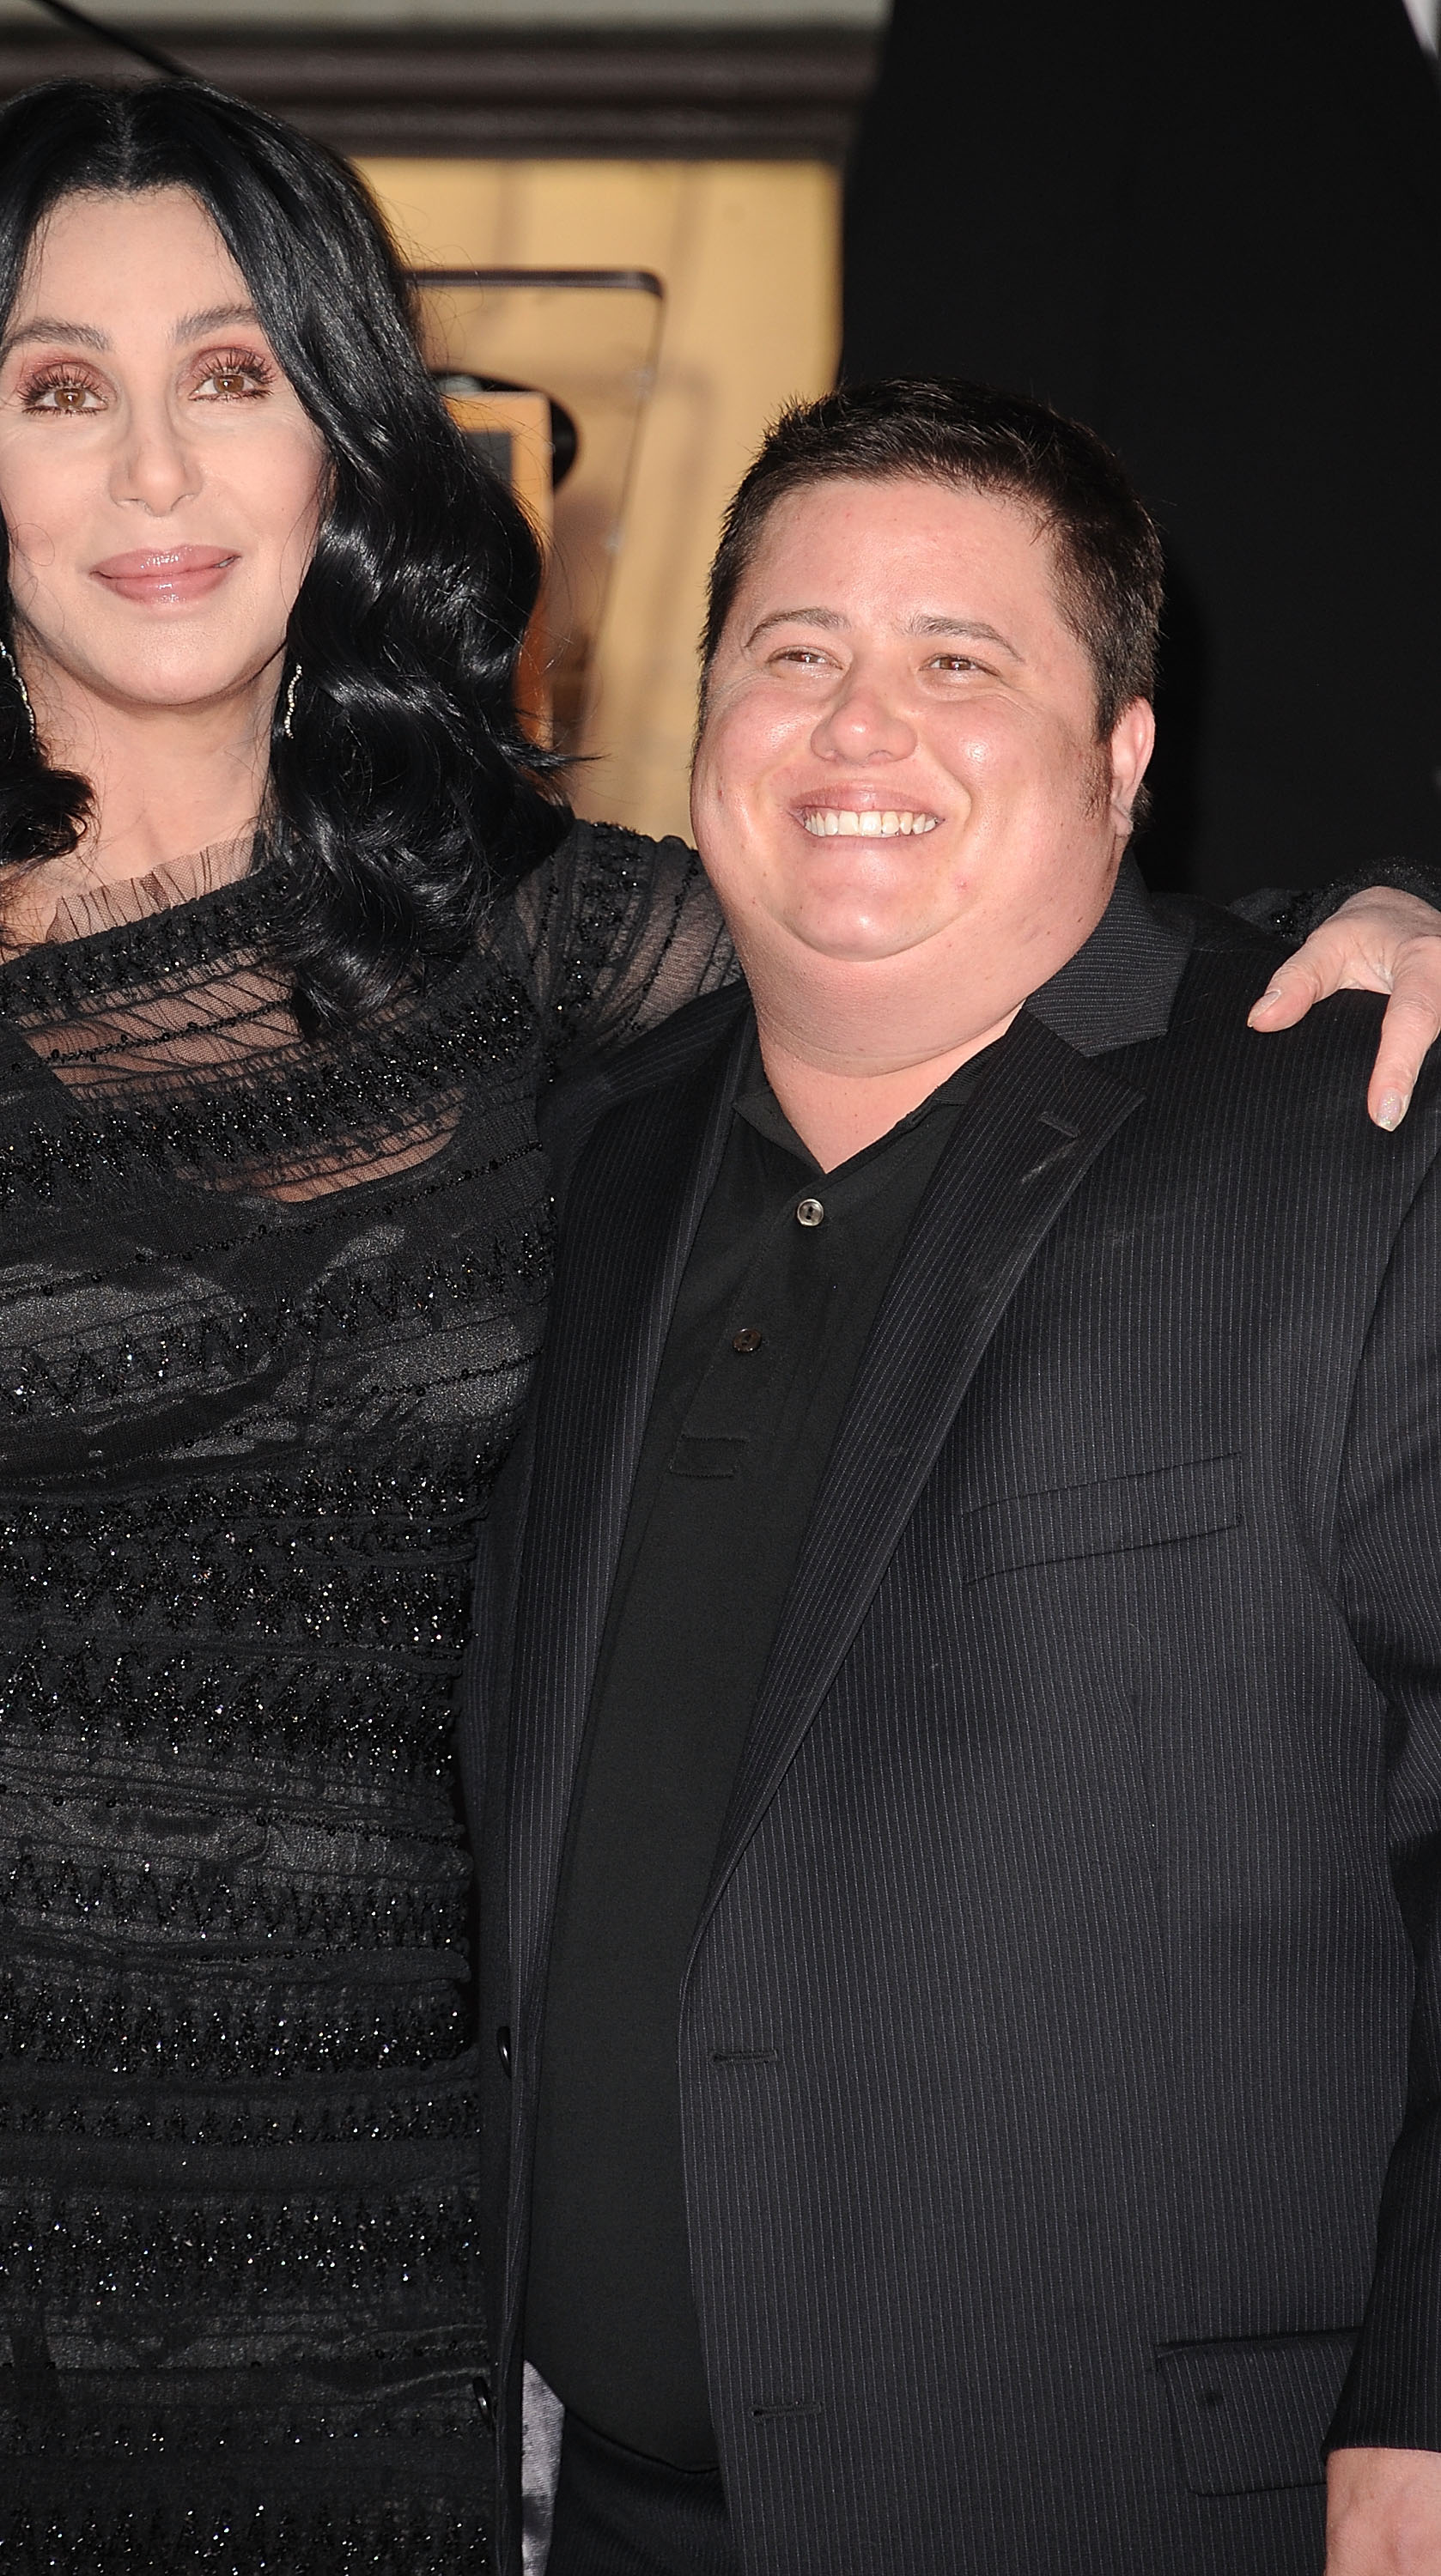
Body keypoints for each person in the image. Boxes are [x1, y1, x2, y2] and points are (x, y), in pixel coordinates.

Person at [0, 129, 1441, 2576]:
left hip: (372, 2317)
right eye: (59, 389)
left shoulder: (533, 946)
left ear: (335, 437)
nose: (153, 468)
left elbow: (926, 901)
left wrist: (1362, 925)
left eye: (227, 375)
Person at [447, 377, 1441, 2576]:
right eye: (794, 651)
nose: (856, 724)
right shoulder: (570, 1172)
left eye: (958, 662)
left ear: (1126, 757)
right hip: (601, 2519)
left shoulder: (1350, 1136)